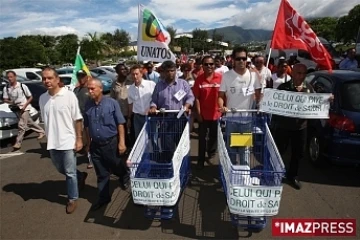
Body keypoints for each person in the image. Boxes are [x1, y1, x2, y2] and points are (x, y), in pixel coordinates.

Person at [271, 63, 332, 190]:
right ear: (292, 73)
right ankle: (274, 174)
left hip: (301, 128)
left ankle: (292, 176)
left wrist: (327, 99)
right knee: (279, 151)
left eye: (304, 73)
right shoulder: (284, 88)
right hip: (284, 126)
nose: (301, 76)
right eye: (298, 73)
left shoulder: (309, 88)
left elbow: (316, 102)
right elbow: (274, 104)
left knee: (298, 153)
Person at [39, 67, 87, 214]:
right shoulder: (42, 98)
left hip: (68, 140)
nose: (46, 81)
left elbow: (77, 118)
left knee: (69, 172)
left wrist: (79, 139)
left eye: (50, 78)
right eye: (44, 78)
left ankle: (72, 198)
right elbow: (46, 120)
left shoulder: (69, 95)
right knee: (61, 169)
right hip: (52, 141)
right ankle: (80, 175)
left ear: (57, 79)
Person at [84, 79, 128, 211]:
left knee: (115, 165)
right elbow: (86, 126)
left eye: (92, 88)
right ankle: (103, 197)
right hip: (95, 146)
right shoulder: (87, 105)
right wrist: (88, 143)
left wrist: (122, 142)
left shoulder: (111, 103)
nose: (90, 91)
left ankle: (124, 175)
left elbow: (120, 123)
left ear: (100, 89)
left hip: (111, 143)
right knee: (101, 173)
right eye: (88, 89)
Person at [218, 47, 262, 165]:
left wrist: (260, 103)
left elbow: (259, 94)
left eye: (244, 58)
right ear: (233, 60)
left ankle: (244, 173)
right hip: (231, 119)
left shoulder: (253, 76)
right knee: (231, 148)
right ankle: (231, 171)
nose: (241, 61)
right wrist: (222, 106)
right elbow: (220, 96)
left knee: (244, 149)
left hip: (247, 120)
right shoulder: (227, 76)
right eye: (238, 59)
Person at [149, 60, 195, 162]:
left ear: (175, 71)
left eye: (172, 70)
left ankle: (181, 167)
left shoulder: (183, 84)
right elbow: (154, 100)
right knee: (167, 146)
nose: (170, 73)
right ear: (163, 72)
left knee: (181, 146)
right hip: (164, 119)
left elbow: (190, 97)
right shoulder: (159, 86)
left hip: (180, 117)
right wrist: (153, 107)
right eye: (167, 71)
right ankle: (169, 166)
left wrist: (187, 105)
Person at [192, 56, 222, 169]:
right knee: (202, 139)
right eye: (206, 64)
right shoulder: (199, 79)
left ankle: (211, 153)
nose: (209, 66)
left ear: (214, 65)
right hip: (203, 115)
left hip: (217, 114)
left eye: (211, 64)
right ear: (202, 66)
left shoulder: (220, 78)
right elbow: (197, 98)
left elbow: (224, 95)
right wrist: (198, 114)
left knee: (214, 137)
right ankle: (200, 161)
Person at [3, 71, 45, 149]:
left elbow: (30, 97)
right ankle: (41, 131)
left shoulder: (22, 86)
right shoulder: (6, 88)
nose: (10, 79)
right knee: (28, 122)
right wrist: (10, 101)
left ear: (15, 77)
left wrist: (25, 106)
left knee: (21, 125)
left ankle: (18, 143)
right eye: (8, 77)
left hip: (25, 107)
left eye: (11, 77)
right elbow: (5, 99)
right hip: (15, 108)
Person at [127, 64, 156, 139]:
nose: (135, 76)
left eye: (137, 74)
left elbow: (156, 99)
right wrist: (129, 118)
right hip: (137, 118)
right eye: (133, 74)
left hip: (150, 117)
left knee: (153, 138)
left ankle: (155, 151)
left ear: (141, 74)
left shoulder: (151, 84)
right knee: (139, 140)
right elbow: (130, 104)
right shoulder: (130, 89)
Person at [110, 63, 134, 150]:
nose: (125, 71)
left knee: (133, 134)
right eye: (122, 69)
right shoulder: (114, 84)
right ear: (117, 71)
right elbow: (112, 99)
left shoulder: (131, 81)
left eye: (125, 69)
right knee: (123, 135)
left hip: (132, 113)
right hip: (120, 114)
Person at [73, 70, 93, 169]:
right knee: (82, 139)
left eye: (82, 76)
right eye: (79, 76)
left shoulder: (90, 89)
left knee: (90, 140)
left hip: (89, 118)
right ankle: (89, 156)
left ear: (86, 77)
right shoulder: (76, 90)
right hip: (78, 119)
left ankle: (91, 160)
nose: (81, 78)